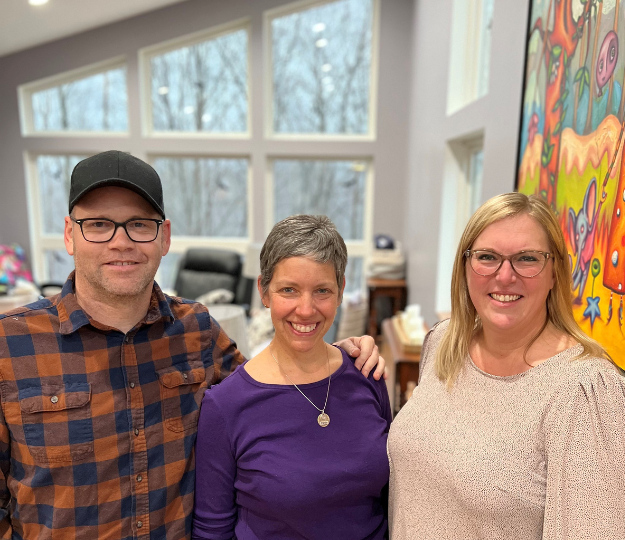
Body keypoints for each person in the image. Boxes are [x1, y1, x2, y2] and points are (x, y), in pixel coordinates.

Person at [0, 151, 384, 539]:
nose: (121, 242)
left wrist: (338, 351)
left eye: (139, 225)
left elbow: (273, 396)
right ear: (69, 233)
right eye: (98, 225)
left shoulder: (198, 331)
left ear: (164, 237)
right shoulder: (10, 346)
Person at [388, 192, 625, 539]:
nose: (504, 276)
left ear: (555, 272)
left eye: (527, 259)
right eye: (487, 257)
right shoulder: (444, 343)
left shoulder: (586, 392)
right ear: (465, 265)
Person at [193, 215, 392, 540]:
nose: (305, 309)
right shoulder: (225, 406)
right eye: (289, 290)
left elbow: (391, 497)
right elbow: (211, 532)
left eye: (322, 291)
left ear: (341, 291)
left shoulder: (366, 374)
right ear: (264, 291)